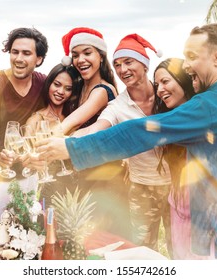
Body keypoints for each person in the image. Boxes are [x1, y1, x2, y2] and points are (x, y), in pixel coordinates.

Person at [36, 23, 217, 260]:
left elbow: (142, 132)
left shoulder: (210, 104)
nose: (185, 66)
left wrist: (71, 147)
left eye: (192, 56)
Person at [73, 34, 172, 254]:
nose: (122, 69)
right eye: (117, 64)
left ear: (145, 65)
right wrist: (64, 141)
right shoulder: (118, 106)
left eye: (129, 62)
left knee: (181, 248)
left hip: (177, 186)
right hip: (142, 188)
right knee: (143, 251)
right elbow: (96, 128)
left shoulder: (166, 94)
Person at [58, 27, 126, 235]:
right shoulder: (80, 88)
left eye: (87, 53)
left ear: (100, 56)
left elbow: (70, 124)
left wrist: (48, 138)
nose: (81, 60)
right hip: (86, 172)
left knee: (101, 239)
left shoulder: (102, 91)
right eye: (76, 55)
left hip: (104, 177)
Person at [153, 58, 212, 259]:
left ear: (182, 80)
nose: (159, 89)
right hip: (178, 207)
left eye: (165, 81)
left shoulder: (204, 116)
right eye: (157, 85)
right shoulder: (169, 119)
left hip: (204, 213)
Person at [0, 27, 49, 178]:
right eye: (15, 52)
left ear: (39, 59)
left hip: (27, 171)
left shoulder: (44, 83)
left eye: (26, 53)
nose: (18, 58)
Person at [21, 63, 79, 205]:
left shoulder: (74, 118)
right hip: (47, 191)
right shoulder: (36, 120)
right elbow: (25, 155)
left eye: (68, 88)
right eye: (57, 84)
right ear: (49, 84)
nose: (61, 91)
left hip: (75, 191)